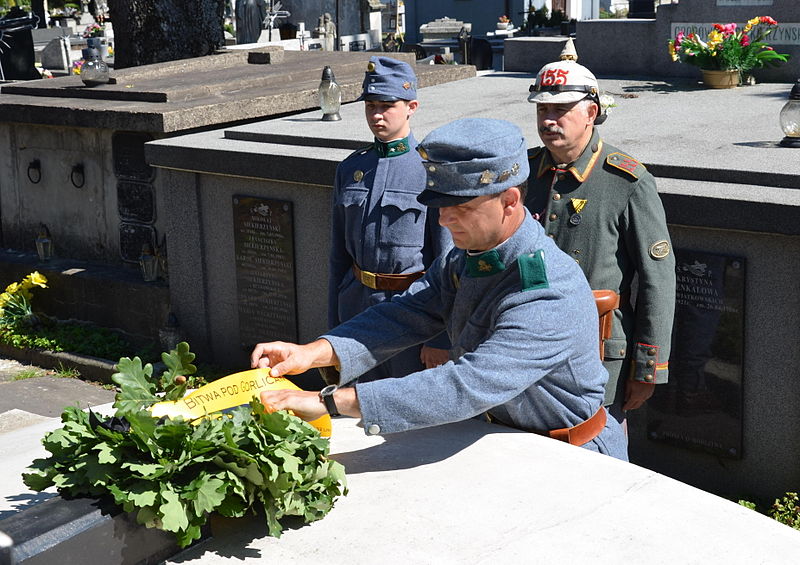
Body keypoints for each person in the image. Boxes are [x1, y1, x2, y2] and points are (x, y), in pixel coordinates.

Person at [253, 118, 628, 460]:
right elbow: (407, 312)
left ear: (509, 201)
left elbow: (468, 383)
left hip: (572, 457)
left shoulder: (546, 288)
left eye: (460, 207)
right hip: (508, 441)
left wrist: (331, 402)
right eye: (439, 205)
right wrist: (313, 352)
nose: (444, 219)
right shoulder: (472, 256)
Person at [525, 40, 676, 423]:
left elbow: (657, 277)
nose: (548, 120)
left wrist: (648, 368)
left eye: (560, 110)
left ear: (591, 112)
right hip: (524, 349)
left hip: (597, 356)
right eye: (543, 109)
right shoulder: (523, 174)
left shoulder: (626, 180)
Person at [327, 56, 451, 382]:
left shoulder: (430, 170)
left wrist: (441, 337)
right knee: (353, 407)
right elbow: (338, 257)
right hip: (354, 310)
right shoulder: (350, 169)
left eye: (387, 105)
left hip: (410, 313)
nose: (377, 114)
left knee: (406, 416)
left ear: (412, 106)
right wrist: (331, 333)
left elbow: (447, 260)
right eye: (370, 106)